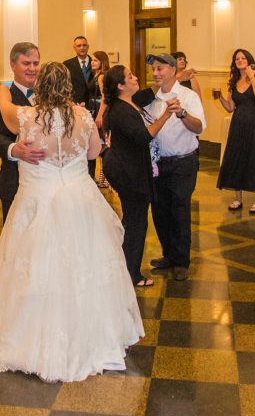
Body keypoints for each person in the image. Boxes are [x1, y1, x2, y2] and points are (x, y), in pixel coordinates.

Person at [0, 62, 143, 382]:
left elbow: (3, 108)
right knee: (83, 264)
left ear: (41, 85)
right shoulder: (83, 116)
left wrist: (3, 90)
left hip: (38, 198)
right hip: (79, 198)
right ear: (69, 86)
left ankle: (30, 336)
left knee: (34, 266)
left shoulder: (27, 116)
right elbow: (92, 154)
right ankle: (89, 331)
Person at [101, 64, 175, 287]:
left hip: (130, 168)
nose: (135, 78)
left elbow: (146, 94)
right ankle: (132, 274)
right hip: (128, 172)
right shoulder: (121, 110)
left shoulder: (127, 102)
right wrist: (166, 116)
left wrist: (171, 78)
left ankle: (125, 266)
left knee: (134, 220)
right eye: (130, 77)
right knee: (136, 222)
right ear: (121, 86)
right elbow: (143, 137)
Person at [134, 53, 205, 281]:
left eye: (159, 69)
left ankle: (181, 261)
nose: (155, 74)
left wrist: (182, 114)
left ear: (173, 70)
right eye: (153, 69)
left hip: (182, 163)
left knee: (180, 210)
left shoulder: (188, 96)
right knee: (160, 211)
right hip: (158, 164)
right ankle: (169, 255)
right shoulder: (152, 99)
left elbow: (199, 128)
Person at [0, 42, 45, 221]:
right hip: (15, 180)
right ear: (13, 65)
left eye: (35, 63)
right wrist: (13, 149)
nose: (32, 68)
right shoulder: (4, 96)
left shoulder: (48, 95)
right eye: (26, 63)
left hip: (47, 181)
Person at [215, 48, 255, 214]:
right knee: (236, 157)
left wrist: (251, 75)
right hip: (238, 123)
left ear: (249, 60)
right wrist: (220, 98)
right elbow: (231, 108)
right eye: (237, 58)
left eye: (243, 58)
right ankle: (238, 197)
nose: (239, 60)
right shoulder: (233, 81)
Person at [87, 50, 110, 185]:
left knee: (102, 144)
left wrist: (100, 115)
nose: (92, 62)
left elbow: (104, 97)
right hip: (92, 109)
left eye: (96, 60)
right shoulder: (95, 75)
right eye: (92, 60)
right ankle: (102, 177)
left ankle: (104, 177)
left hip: (98, 111)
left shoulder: (101, 77)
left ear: (102, 62)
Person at [63, 35, 92, 106]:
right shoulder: (67, 64)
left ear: (88, 47)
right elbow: (64, 86)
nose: (82, 48)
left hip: (93, 105)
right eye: (79, 46)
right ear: (74, 48)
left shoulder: (95, 63)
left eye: (84, 45)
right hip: (75, 104)